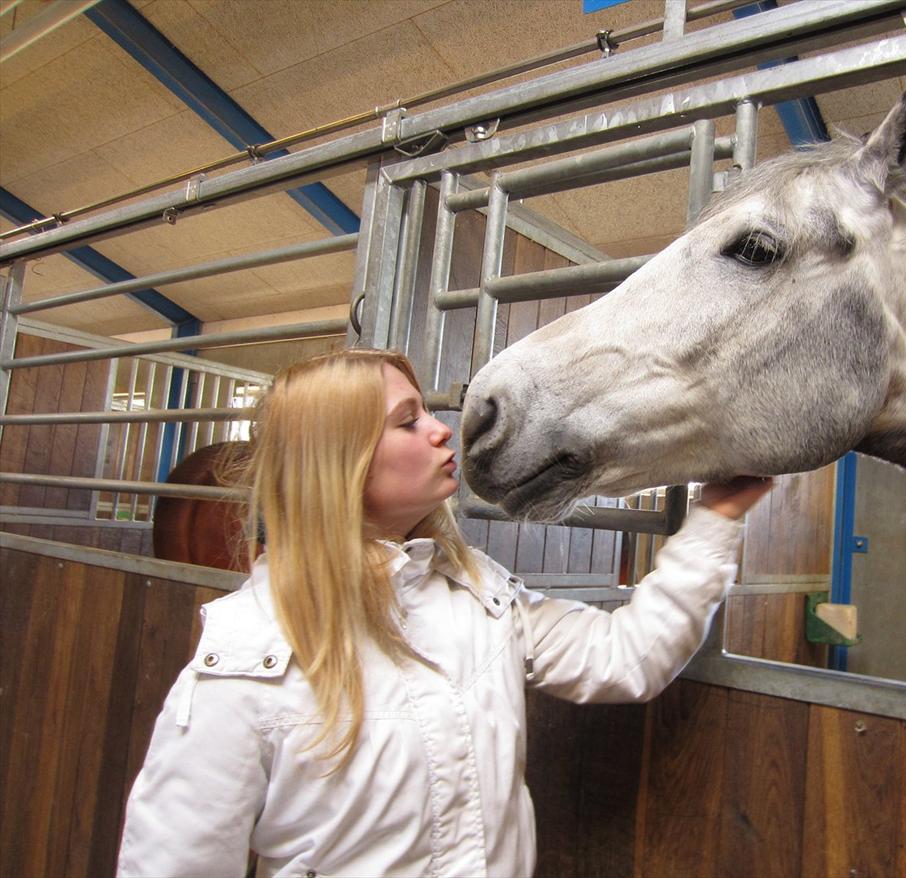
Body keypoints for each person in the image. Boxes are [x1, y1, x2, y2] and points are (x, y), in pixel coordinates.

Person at [117, 348, 773, 878]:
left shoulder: (477, 592)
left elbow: (626, 656)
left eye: (427, 410)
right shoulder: (248, 660)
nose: (441, 428)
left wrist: (715, 519)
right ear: (336, 461)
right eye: (407, 421)